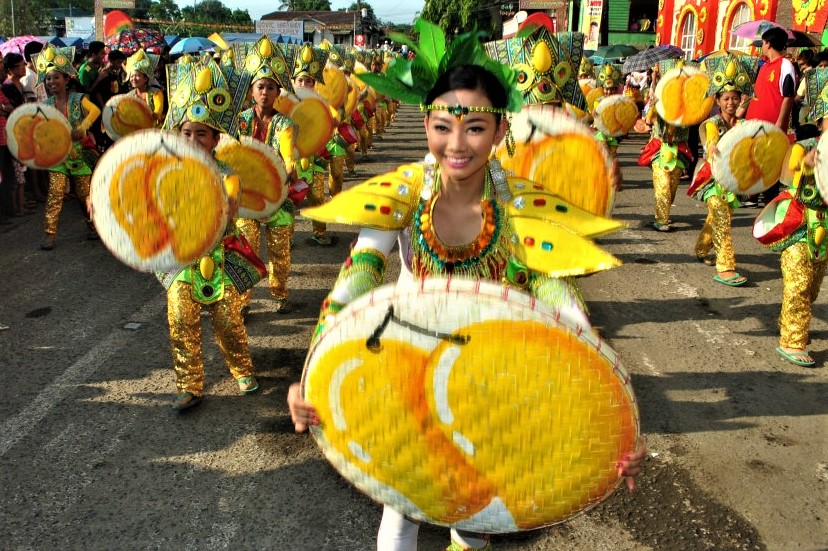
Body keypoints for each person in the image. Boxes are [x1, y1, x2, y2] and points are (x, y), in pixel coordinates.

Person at [287, 24, 646, 550]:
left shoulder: (521, 204)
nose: (456, 145)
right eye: (441, 126)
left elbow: (554, 292)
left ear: (501, 129)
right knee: (401, 506)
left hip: (492, 372)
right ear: (426, 124)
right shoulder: (404, 192)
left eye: (475, 127)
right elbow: (358, 274)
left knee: (477, 512)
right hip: (404, 359)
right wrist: (314, 369)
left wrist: (603, 391)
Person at [159, 56, 260, 410]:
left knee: (227, 320)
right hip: (181, 257)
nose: (192, 138)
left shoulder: (227, 172)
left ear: (215, 139)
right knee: (180, 318)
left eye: (201, 133)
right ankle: (189, 385)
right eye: (186, 132)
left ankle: (242, 368)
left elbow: (231, 198)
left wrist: (228, 203)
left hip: (220, 254)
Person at [753, 67, 828, 367]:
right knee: (798, 284)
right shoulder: (804, 147)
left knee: (811, 289)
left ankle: (792, 320)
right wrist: (806, 167)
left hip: (823, 232)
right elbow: (785, 176)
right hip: (799, 224)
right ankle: (793, 340)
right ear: (822, 120)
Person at [233, 36, 298, 315]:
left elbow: (289, 156)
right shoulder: (241, 121)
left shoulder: (285, 123)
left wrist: (288, 169)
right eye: (260, 86)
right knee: (244, 252)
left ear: (277, 92)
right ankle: (243, 301)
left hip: (277, 197)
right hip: (247, 199)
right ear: (251, 91)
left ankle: (280, 293)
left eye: (271, 87)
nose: (265, 93)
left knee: (280, 254)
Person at [690, 53, 759, 287]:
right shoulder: (713, 123)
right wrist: (713, 148)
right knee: (722, 221)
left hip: (732, 182)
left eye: (735, 98)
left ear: (741, 100)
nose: (730, 102)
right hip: (714, 182)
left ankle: (701, 248)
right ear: (718, 101)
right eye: (726, 98)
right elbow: (711, 144)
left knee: (718, 218)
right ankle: (726, 267)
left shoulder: (742, 125)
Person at [33, 45, 101, 250]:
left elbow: (95, 111)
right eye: (47, 78)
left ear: (66, 79)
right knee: (55, 192)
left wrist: (82, 127)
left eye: (55, 77)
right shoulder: (45, 106)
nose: (51, 82)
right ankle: (50, 234)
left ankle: (93, 226)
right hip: (59, 156)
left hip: (79, 154)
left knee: (83, 195)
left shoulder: (79, 99)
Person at [291, 43, 337, 246]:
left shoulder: (321, 103)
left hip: (316, 158)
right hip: (293, 159)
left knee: (317, 196)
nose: (304, 84)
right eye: (300, 80)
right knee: (290, 201)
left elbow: (328, 129)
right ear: (293, 81)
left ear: (314, 83)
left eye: (308, 81)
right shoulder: (286, 103)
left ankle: (319, 232)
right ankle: (287, 236)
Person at [124, 48, 165, 126]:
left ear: (146, 78)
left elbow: (158, 109)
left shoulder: (156, 92)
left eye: (137, 76)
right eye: (131, 76)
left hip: (154, 129)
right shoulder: (129, 95)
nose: (133, 79)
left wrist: (153, 115)